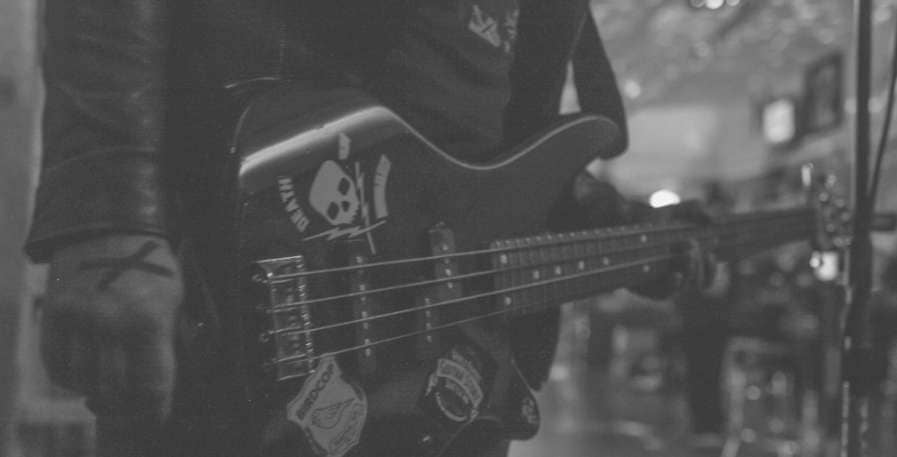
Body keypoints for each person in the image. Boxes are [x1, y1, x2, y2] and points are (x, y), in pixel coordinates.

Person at [27, 1, 705, 456]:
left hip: (444, 368)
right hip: (238, 274)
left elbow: (513, 155)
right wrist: (106, 216)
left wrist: (622, 231)